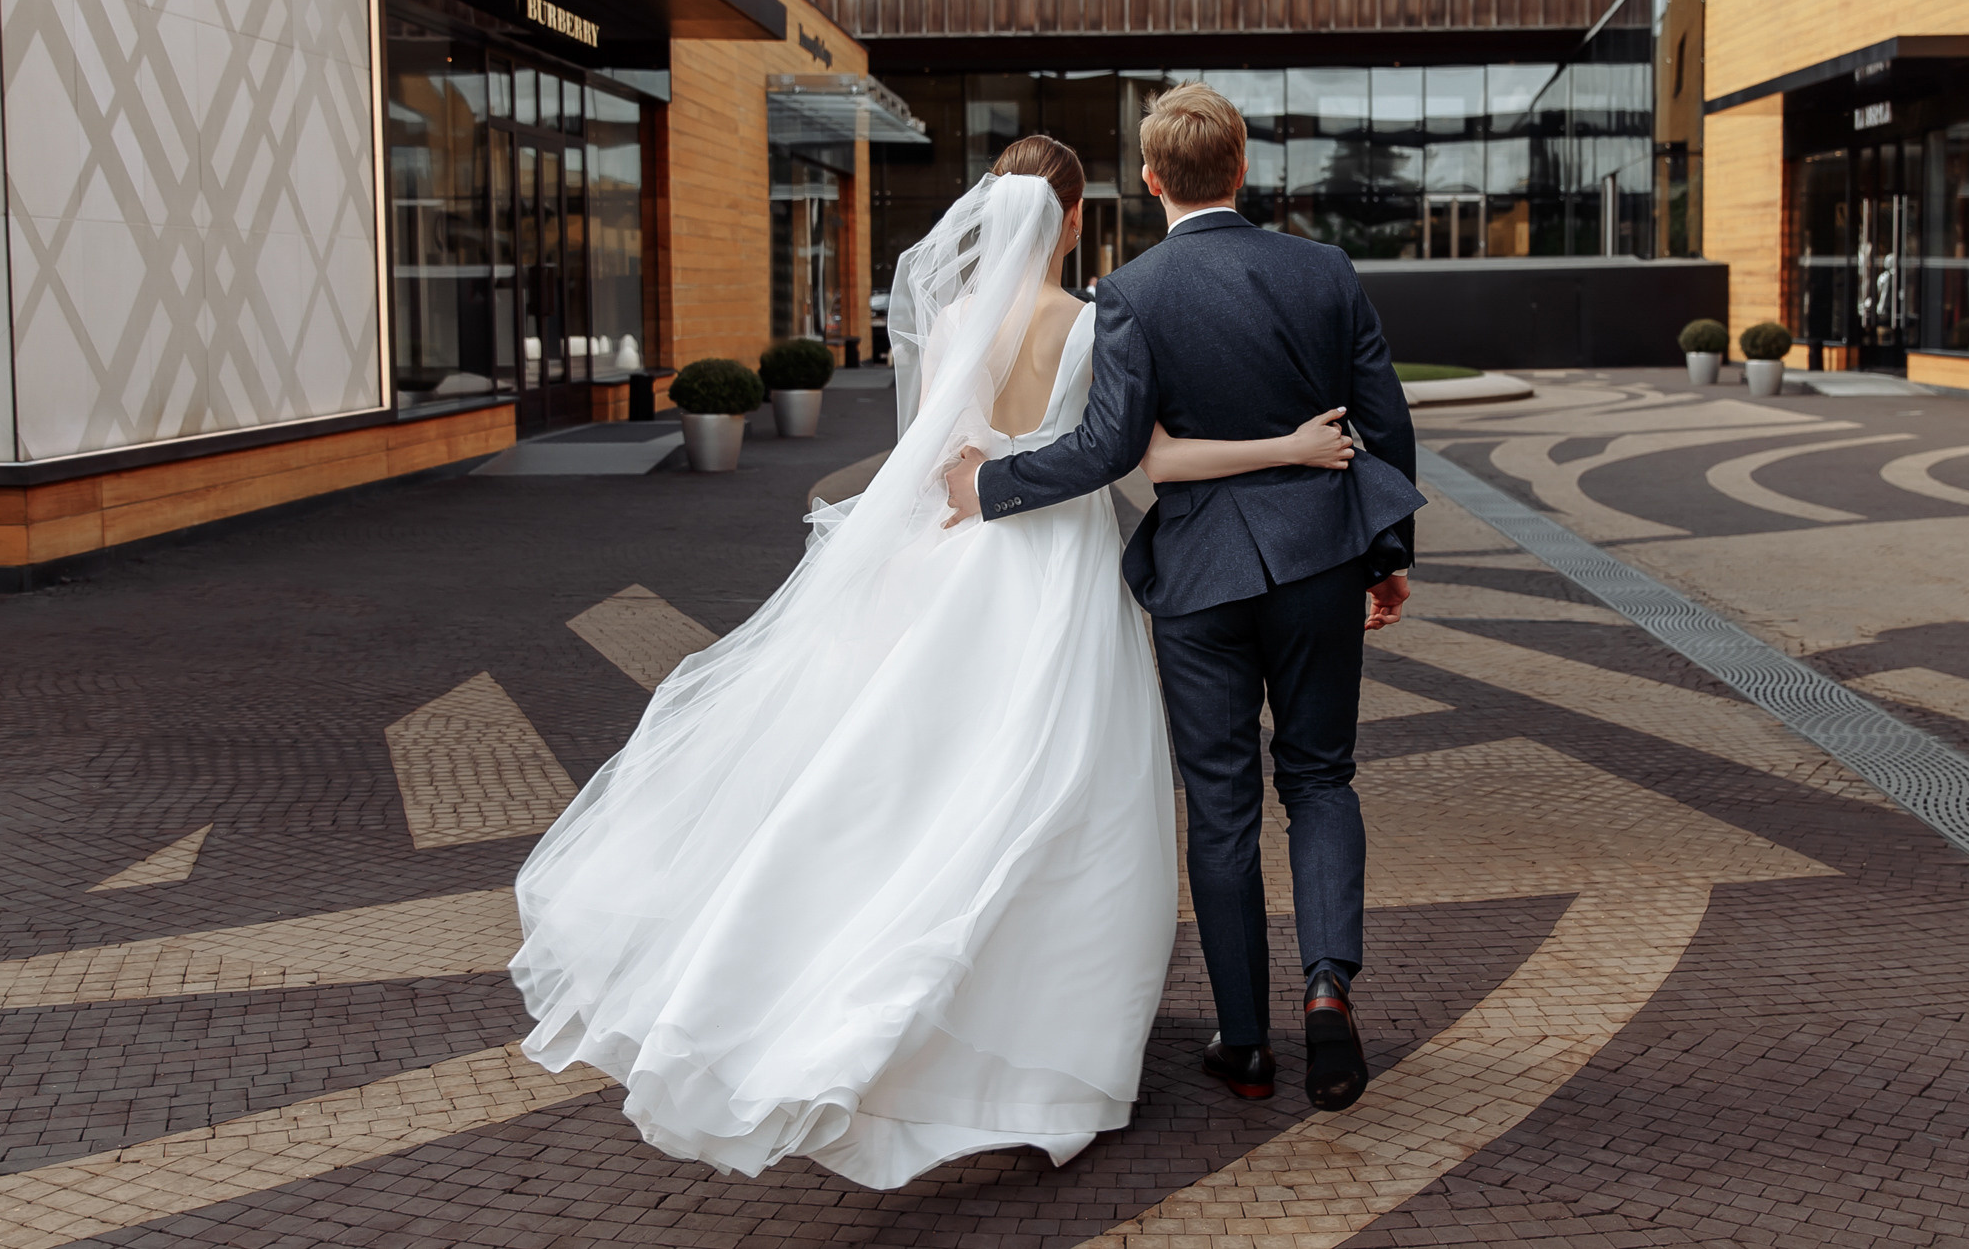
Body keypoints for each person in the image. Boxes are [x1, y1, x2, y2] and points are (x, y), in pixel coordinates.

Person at [509, 135, 1357, 1189]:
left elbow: (936, 457)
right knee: (1066, 788)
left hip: (953, 560)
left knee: (926, 777)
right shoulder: (1096, 318)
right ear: (1078, 217)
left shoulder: (952, 321)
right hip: (1056, 565)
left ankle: (875, 984)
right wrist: (1282, 452)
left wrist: (964, 498)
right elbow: (1116, 453)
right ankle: (1051, 1038)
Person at [945, 82, 1424, 1114]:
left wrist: (989, 484)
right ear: (1241, 168)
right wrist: (1386, 549)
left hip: (1201, 584)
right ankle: (1329, 984)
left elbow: (1113, 449)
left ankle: (1246, 1041)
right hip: (1320, 564)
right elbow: (1384, 423)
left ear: (1153, 179)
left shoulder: (1132, 292)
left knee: (1220, 806)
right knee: (1321, 779)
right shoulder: (1325, 270)